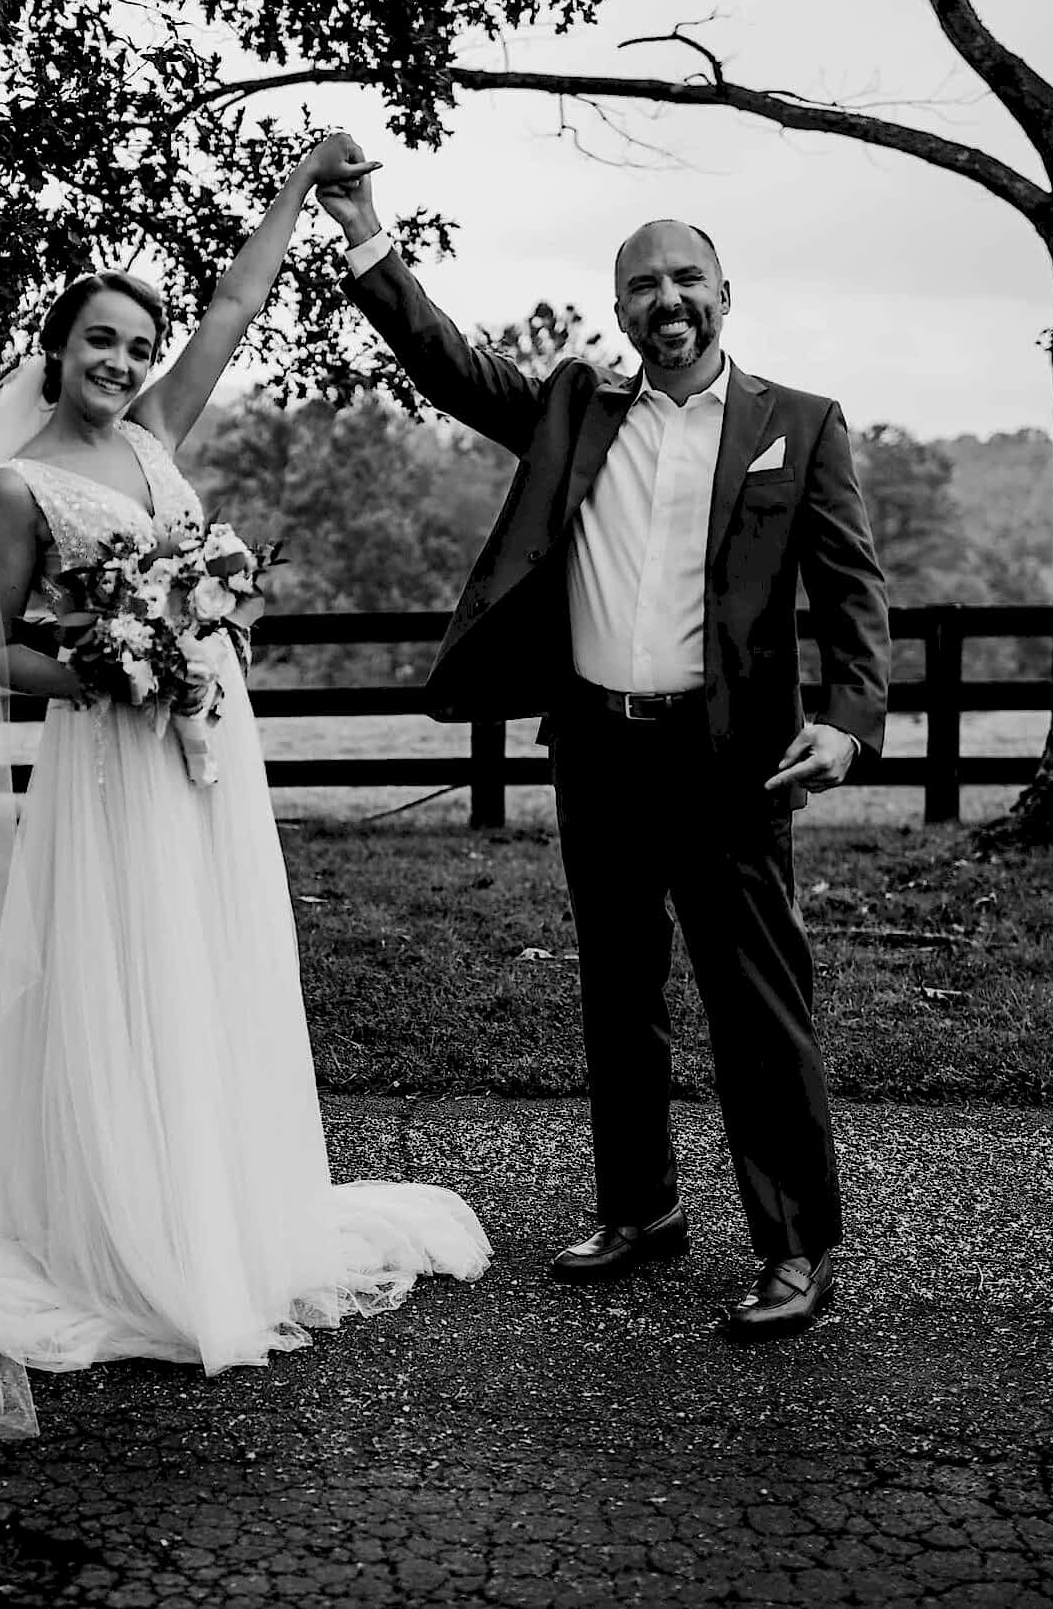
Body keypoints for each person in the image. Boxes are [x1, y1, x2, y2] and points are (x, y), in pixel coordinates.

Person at [0, 136, 490, 1506]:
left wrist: (297, 195)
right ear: (52, 352)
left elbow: (235, 309)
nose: (124, 361)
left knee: (213, 968)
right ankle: (112, 1229)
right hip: (109, 759)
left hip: (207, 760)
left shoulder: (155, 438)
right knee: (121, 974)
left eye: (138, 343)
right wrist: (110, 666)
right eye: (101, 342)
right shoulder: (17, 487)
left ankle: (214, 1203)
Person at [312, 135, 889, 1340]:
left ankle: (795, 1244)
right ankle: (641, 1209)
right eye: (641, 285)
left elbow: (851, 592)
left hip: (730, 763)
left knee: (756, 1005)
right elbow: (448, 363)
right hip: (599, 751)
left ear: (724, 297)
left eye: (686, 281)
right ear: (618, 305)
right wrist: (364, 229)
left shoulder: (802, 424)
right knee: (617, 994)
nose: (665, 302)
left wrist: (846, 719)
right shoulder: (577, 409)